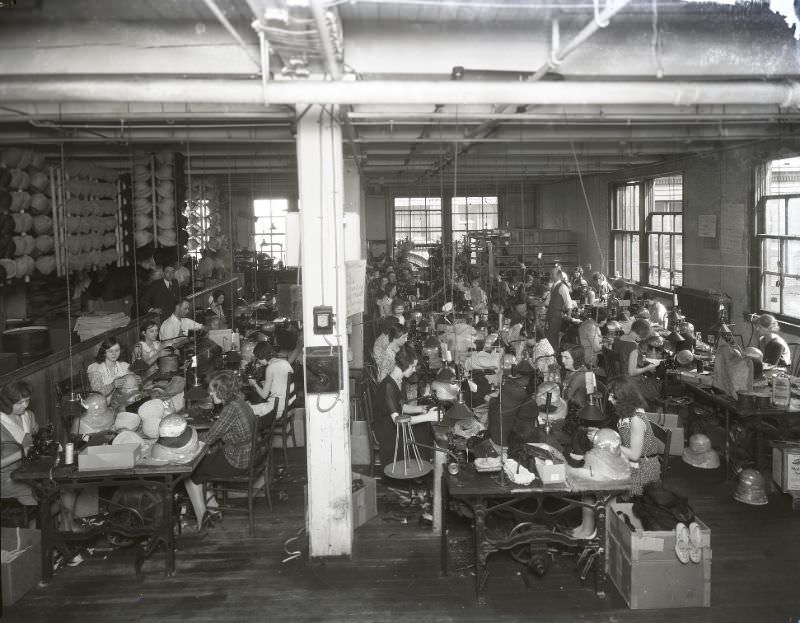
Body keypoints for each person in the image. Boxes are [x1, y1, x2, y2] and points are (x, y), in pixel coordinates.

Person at [568, 376, 661, 539]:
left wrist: (606, 438)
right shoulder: (626, 416)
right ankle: (587, 529)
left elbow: (635, 454)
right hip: (629, 465)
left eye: (613, 396)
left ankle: (601, 531)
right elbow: (621, 440)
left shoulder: (636, 421)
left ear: (624, 398)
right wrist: (602, 436)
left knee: (593, 489)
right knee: (589, 489)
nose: (609, 398)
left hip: (643, 471)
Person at [185, 371, 256, 531]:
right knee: (205, 462)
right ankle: (214, 509)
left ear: (222, 391)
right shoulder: (240, 402)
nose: (210, 394)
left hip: (237, 460)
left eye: (212, 391)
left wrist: (188, 445)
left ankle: (202, 519)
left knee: (191, 472)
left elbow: (210, 437)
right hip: (247, 454)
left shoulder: (230, 409)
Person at [373, 346, 438, 469]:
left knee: (423, 428)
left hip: (392, 422)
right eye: (412, 366)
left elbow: (401, 406)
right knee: (421, 433)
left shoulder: (400, 380)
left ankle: (420, 469)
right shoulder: (388, 386)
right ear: (404, 365)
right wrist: (428, 417)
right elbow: (398, 421)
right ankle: (415, 472)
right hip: (387, 430)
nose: (414, 370)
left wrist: (420, 409)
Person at [0, 381, 38, 507]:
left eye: (27, 401)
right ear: (7, 402)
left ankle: (66, 524)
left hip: (27, 472)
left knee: (58, 486)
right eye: (19, 403)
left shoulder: (28, 416)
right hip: (6, 479)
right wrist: (22, 453)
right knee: (41, 492)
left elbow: (34, 433)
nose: (25, 406)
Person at [611, 318, 660, 402]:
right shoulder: (633, 346)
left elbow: (623, 358)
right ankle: (648, 409)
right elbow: (632, 372)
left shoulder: (619, 339)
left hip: (619, 378)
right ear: (640, 335)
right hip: (629, 381)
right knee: (657, 384)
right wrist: (648, 368)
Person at [248, 333, 294, 420]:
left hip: (274, 410)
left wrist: (254, 384)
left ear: (262, 356)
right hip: (285, 406)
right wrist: (268, 383)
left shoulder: (270, 367)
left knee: (245, 409)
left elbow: (264, 395)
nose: (258, 361)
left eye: (258, 358)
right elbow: (282, 383)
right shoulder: (284, 362)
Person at [545, 266, 573, 351]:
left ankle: (555, 356)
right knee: (549, 336)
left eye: (552, 274)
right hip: (551, 314)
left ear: (558, 275)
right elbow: (548, 301)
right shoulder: (554, 286)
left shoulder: (563, 287)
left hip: (556, 316)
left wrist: (569, 315)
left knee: (552, 337)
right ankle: (552, 355)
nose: (551, 276)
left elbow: (569, 302)